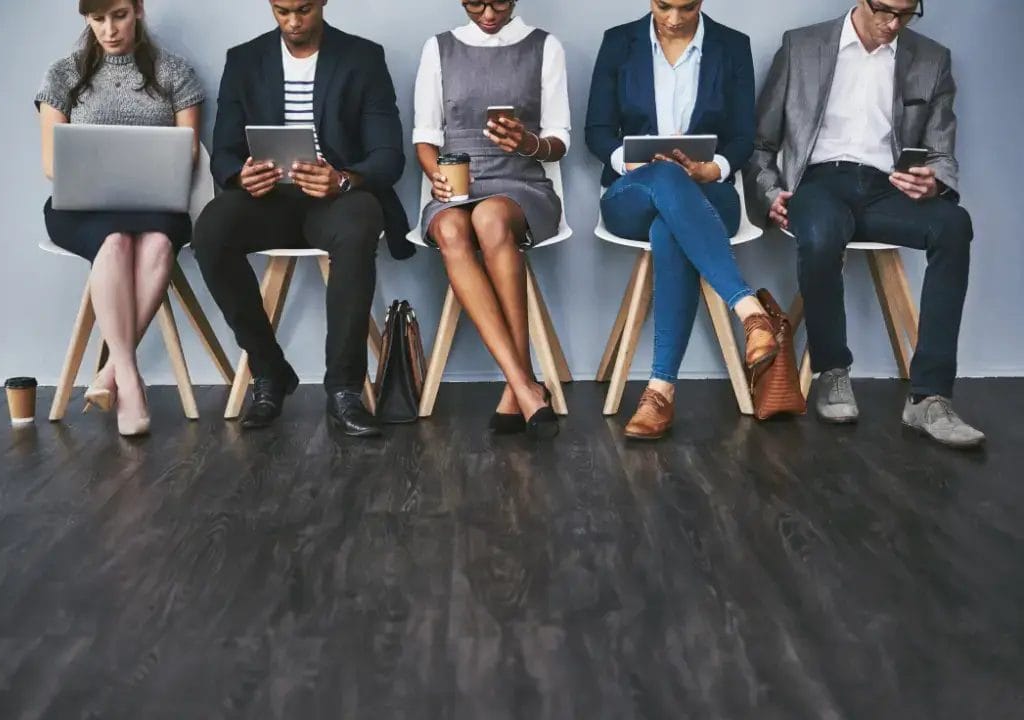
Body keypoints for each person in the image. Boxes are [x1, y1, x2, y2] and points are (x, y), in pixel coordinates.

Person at [747, 0, 984, 448]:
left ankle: (929, 397)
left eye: (906, 13)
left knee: (954, 224)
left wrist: (932, 184)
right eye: (884, 11)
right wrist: (769, 193)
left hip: (884, 188)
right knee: (819, 234)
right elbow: (761, 143)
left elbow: (941, 153)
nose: (892, 24)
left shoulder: (932, 59)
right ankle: (832, 372)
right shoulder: (802, 46)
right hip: (818, 182)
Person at [193, 0, 413, 437]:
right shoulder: (244, 59)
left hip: (336, 200)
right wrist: (241, 174)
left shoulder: (363, 57)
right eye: (282, 11)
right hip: (268, 200)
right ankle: (270, 371)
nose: (293, 22)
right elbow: (224, 151)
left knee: (358, 225)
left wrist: (343, 179)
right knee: (211, 229)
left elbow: (389, 156)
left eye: (304, 10)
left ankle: (345, 389)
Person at [585, 0, 783, 440]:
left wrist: (712, 170)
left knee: (669, 227)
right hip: (631, 194)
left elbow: (742, 138)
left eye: (687, 6)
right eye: (663, 5)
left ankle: (660, 391)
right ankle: (749, 311)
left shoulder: (732, 46)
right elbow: (596, 131)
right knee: (666, 184)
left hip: (710, 193)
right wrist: (629, 163)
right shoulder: (619, 43)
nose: (674, 19)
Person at [36, 0, 205, 437]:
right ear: (87, 20)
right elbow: (54, 163)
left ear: (139, 11)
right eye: (98, 19)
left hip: (156, 203)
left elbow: (186, 152)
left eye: (119, 16)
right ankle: (129, 380)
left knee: (158, 243)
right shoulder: (63, 75)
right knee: (113, 242)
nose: (109, 30)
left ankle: (111, 370)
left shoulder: (175, 73)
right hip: (83, 206)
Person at [413, 0, 567, 439]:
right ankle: (524, 384)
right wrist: (436, 177)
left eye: (497, 1)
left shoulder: (544, 47)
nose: (487, 12)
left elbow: (560, 140)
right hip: (456, 185)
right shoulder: (439, 48)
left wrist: (527, 141)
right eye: (474, 2)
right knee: (448, 227)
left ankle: (516, 388)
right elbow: (425, 138)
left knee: (490, 218)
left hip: (521, 185)